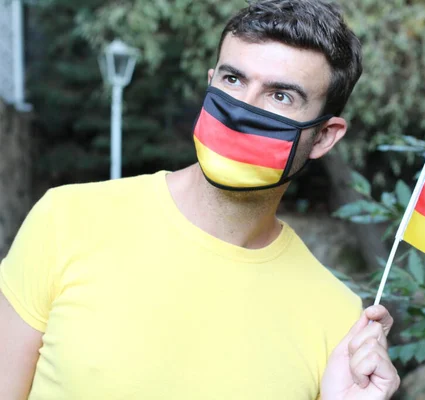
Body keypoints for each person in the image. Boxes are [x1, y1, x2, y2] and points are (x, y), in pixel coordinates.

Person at [0, 0, 400, 399]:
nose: (243, 109)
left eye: (281, 97)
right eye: (233, 80)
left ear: (325, 136)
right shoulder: (67, 219)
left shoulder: (339, 320)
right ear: (211, 81)